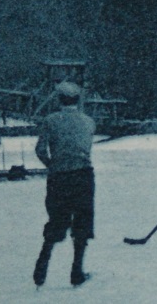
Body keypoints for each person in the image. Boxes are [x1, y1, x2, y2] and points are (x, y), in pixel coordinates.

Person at [33, 81, 96, 287]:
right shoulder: (88, 121)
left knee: (57, 218)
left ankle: (43, 263)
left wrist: (52, 165)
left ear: (59, 99)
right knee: (82, 221)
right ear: (78, 100)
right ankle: (76, 270)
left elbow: (41, 150)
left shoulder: (50, 120)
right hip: (83, 175)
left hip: (59, 176)